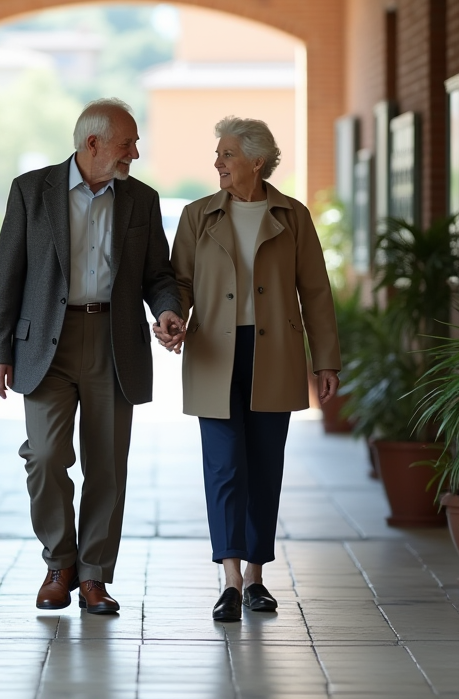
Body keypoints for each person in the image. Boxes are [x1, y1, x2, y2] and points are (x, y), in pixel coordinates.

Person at [0, 98, 185, 615]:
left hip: (115, 341)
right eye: (127, 143)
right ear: (92, 143)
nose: (134, 153)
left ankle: (94, 575)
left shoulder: (141, 199)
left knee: (107, 465)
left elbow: (157, 274)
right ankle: (60, 564)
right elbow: (7, 272)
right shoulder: (31, 190)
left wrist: (167, 310)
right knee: (45, 455)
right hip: (44, 342)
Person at [154, 116, 341, 622]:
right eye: (218, 154)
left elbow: (316, 292)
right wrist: (172, 316)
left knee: (264, 465)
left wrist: (326, 360)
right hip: (213, 354)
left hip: (274, 354)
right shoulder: (197, 215)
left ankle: (257, 577)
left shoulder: (293, 216)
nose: (217, 162)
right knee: (224, 467)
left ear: (256, 161)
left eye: (227, 154)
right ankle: (231, 580)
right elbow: (180, 282)